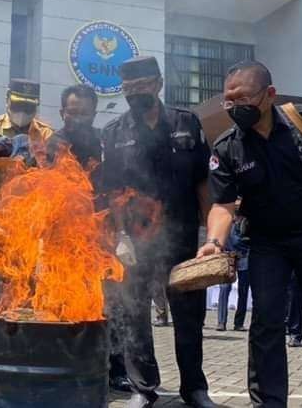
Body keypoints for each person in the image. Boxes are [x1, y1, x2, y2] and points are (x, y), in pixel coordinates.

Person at [198, 60, 302, 407]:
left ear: (269, 95)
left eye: (243, 99)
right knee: (266, 326)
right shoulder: (227, 147)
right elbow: (223, 205)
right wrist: (214, 242)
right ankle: (269, 403)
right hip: (268, 243)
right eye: (228, 101)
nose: (234, 108)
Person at [102, 56, 213, 408]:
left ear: (159, 83)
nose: (137, 93)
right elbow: (114, 192)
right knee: (135, 316)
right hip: (136, 240)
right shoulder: (114, 133)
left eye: (143, 85)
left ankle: (194, 388)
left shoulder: (186, 123)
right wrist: (120, 236)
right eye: (129, 88)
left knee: (189, 317)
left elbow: (203, 183)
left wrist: (209, 236)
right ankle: (143, 388)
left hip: (182, 238)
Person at [45, 84, 135, 394]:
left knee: (112, 302)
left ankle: (117, 367)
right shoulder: (51, 146)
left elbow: (116, 193)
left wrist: (122, 235)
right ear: (62, 113)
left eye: (85, 113)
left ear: (94, 113)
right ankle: (68, 363)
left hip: (101, 235)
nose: (79, 118)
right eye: (73, 113)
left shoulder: (103, 143)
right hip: (63, 238)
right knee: (64, 301)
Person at [0, 79, 55, 306]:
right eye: (17, 105)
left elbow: (50, 184)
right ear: (7, 100)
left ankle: (22, 325)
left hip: (27, 224)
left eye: (29, 108)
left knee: (26, 280)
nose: (22, 112)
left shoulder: (45, 135)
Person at [217, 214, 250, 332]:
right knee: (224, 288)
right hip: (228, 255)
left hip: (244, 255)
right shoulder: (225, 216)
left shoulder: (247, 218)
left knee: (243, 290)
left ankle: (239, 323)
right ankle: (221, 322)